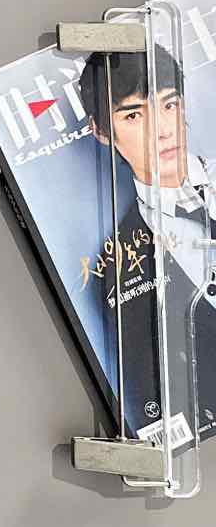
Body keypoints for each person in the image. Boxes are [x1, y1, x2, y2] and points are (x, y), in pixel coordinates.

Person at [80, 45, 216, 443]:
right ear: (101, 132)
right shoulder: (118, 267)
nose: (162, 130)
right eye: (134, 115)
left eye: (169, 104)